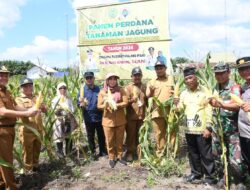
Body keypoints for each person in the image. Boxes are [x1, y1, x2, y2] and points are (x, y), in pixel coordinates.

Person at [174, 66, 215, 186]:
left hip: (202, 129)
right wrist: (176, 104)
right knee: (193, 153)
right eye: (186, 79)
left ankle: (210, 178)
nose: (188, 81)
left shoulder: (205, 91)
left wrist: (208, 127)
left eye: (191, 78)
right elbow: (180, 109)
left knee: (206, 154)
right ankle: (196, 173)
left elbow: (209, 109)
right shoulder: (183, 94)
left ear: (196, 78)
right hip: (189, 129)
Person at [0, 65, 38, 190]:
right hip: (2, 130)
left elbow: (15, 107)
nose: (4, 77)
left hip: (9, 129)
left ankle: (2, 184)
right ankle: (11, 187)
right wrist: (26, 114)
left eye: (6, 75)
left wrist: (30, 109)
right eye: (1, 75)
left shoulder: (7, 92)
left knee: (4, 161)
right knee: (7, 162)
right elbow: (3, 112)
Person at [209, 63, 246, 189]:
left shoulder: (234, 87)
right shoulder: (215, 87)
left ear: (229, 73)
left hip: (232, 130)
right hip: (217, 129)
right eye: (216, 73)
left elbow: (237, 106)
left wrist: (221, 105)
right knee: (217, 155)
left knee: (235, 158)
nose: (218, 76)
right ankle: (222, 179)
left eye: (222, 73)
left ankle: (239, 181)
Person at [97, 73, 128, 168]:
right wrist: (106, 105)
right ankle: (111, 157)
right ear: (107, 81)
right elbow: (98, 106)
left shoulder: (121, 90)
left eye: (114, 79)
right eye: (110, 79)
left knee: (119, 139)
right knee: (109, 141)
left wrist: (116, 105)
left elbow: (126, 102)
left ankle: (119, 156)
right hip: (108, 121)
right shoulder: (103, 92)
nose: (113, 81)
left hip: (120, 120)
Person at [16, 77, 46, 174]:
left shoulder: (36, 97)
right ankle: (28, 170)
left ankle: (36, 167)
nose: (28, 88)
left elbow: (45, 110)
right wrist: (33, 108)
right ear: (21, 88)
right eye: (25, 86)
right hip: (27, 131)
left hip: (38, 129)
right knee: (27, 152)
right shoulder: (18, 99)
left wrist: (43, 107)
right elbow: (21, 112)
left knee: (37, 149)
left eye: (30, 85)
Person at [146, 57, 173, 157]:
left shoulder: (171, 79)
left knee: (173, 132)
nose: (159, 70)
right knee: (159, 133)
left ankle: (173, 153)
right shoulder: (152, 81)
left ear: (165, 68)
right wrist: (152, 91)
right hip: (157, 112)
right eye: (157, 68)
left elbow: (177, 93)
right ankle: (160, 153)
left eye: (161, 68)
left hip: (170, 112)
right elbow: (148, 96)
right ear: (155, 70)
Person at [77, 71, 107, 159]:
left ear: (94, 79)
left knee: (101, 135)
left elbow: (103, 100)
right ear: (85, 80)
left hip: (99, 116)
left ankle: (102, 151)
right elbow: (78, 103)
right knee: (90, 136)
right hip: (88, 117)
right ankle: (93, 152)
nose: (89, 79)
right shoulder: (82, 90)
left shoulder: (98, 89)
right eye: (87, 78)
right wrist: (81, 104)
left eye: (91, 78)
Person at [125, 67, 146, 162]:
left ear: (141, 76)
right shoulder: (128, 88)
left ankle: (139, 152)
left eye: (139, 75)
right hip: (131, 116)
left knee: (141, 135)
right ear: (131, 76)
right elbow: (125, 102)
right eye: (135, 75)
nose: (137, 77)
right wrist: (131, 100)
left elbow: (148, 100)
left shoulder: (144, 87)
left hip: (142, 116)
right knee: (131, 135)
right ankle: (129, 152)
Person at [52, 82, 77, 158]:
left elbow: (72, 109)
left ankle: (69, 152)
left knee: (69, 136)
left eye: (64, 88)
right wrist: (59, 109)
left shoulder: (69, 99)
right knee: (59, 137)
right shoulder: (55, 100)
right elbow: (54, 111)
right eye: (61, 88)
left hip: (69, 119)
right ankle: (60, 153)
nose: (63, 89)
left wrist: (71, 115)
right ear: (58, 89)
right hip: (59, 121)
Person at [236, 57, 250, 177]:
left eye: (247, 68)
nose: (245, 72)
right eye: (241, 70)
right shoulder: (243, 87)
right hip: (244, 133)